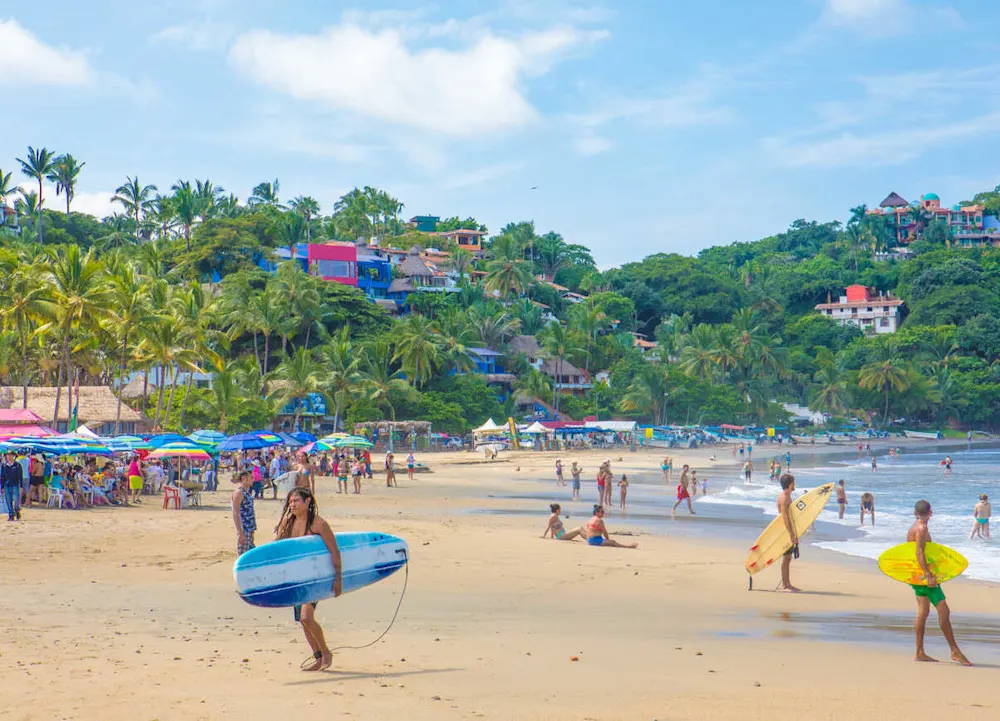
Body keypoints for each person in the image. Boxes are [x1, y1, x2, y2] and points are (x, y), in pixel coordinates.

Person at [275, 488, 342, 672]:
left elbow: (334, 551)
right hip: (296, 578)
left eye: (296, 501)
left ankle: (326, 652)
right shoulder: (288, 523)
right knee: (303, 621)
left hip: (315, 577)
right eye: (290, 502)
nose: (292, 504)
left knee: (306, 616)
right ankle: (318, 658)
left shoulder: (318, 524)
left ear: (307, 501)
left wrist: (338, 578)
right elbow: (279, 548)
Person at [908, 500, 972, 665]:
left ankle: (919, 652)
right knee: (944, 611)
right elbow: (919, 553)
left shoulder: (914, 527)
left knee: (923, 611)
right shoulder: (922, 529)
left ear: (915, 512)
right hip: (925, 577)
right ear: (931, 513)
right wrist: (929, 575)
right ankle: (954, 651)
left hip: (916, 575)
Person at [777, 473, 800, 592]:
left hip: (788, 530)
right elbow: (785, 517)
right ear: (789, 484)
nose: (794, 484)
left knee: (788, 558)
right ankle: (785, 585)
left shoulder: (786, 496)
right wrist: (791, 534)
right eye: (793, 482)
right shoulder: (785, 498)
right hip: (785, 531)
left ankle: (788, 583)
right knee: (786, 557)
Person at [231, 471, 256, 556]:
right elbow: (235, 513)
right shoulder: (239, 493)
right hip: (244, 529)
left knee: (250, 556)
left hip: (249, 529)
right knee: (244, 557)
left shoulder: (247, 492)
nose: (253, 480)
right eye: (251, 478)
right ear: (243, 478)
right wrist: (240, 532)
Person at [2, 452, 23, 521]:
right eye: (8, 455)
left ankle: (17, 510)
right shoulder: (4, 465)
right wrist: (2, 487)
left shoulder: (17, 465)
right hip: (7, 485)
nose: (9, 457)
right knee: (8, 500)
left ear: (14, 456)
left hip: (15, 484)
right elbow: (2, 477)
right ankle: (11, 514)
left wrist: (21, 486)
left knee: (16, 500)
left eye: (11, 455)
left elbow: (20, 476)